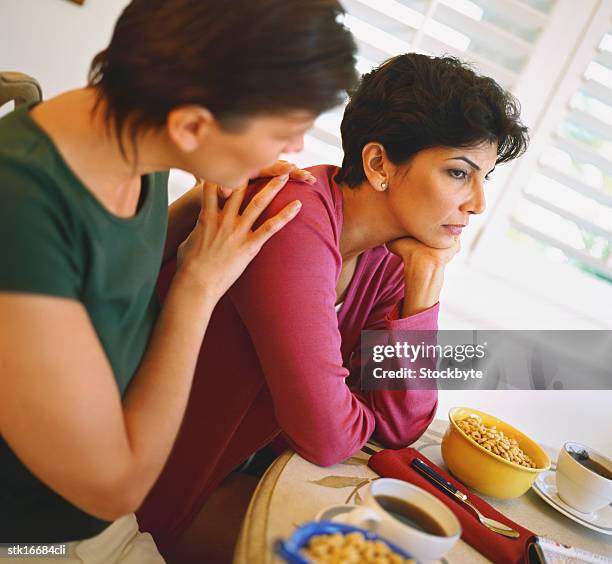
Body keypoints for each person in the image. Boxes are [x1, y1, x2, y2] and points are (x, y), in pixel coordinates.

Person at [0, 0, 357, 561]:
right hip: (36, 534)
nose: (297, 149)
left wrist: (197, 205)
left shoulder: (131, 141)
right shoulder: (21, 213)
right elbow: (115, 485)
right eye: (284, 129)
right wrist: (200, 283)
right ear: (192, 123)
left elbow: (104, 281)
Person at [136, 53, 529, 562]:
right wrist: (351, 403)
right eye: (458, 173)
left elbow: (397, 429)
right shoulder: (291, 222)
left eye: (484, 179)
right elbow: (327, 436)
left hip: (216, 477)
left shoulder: (388, 259)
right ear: (379, 164)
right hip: (136, 486)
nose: (477, 202)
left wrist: (426, 285)